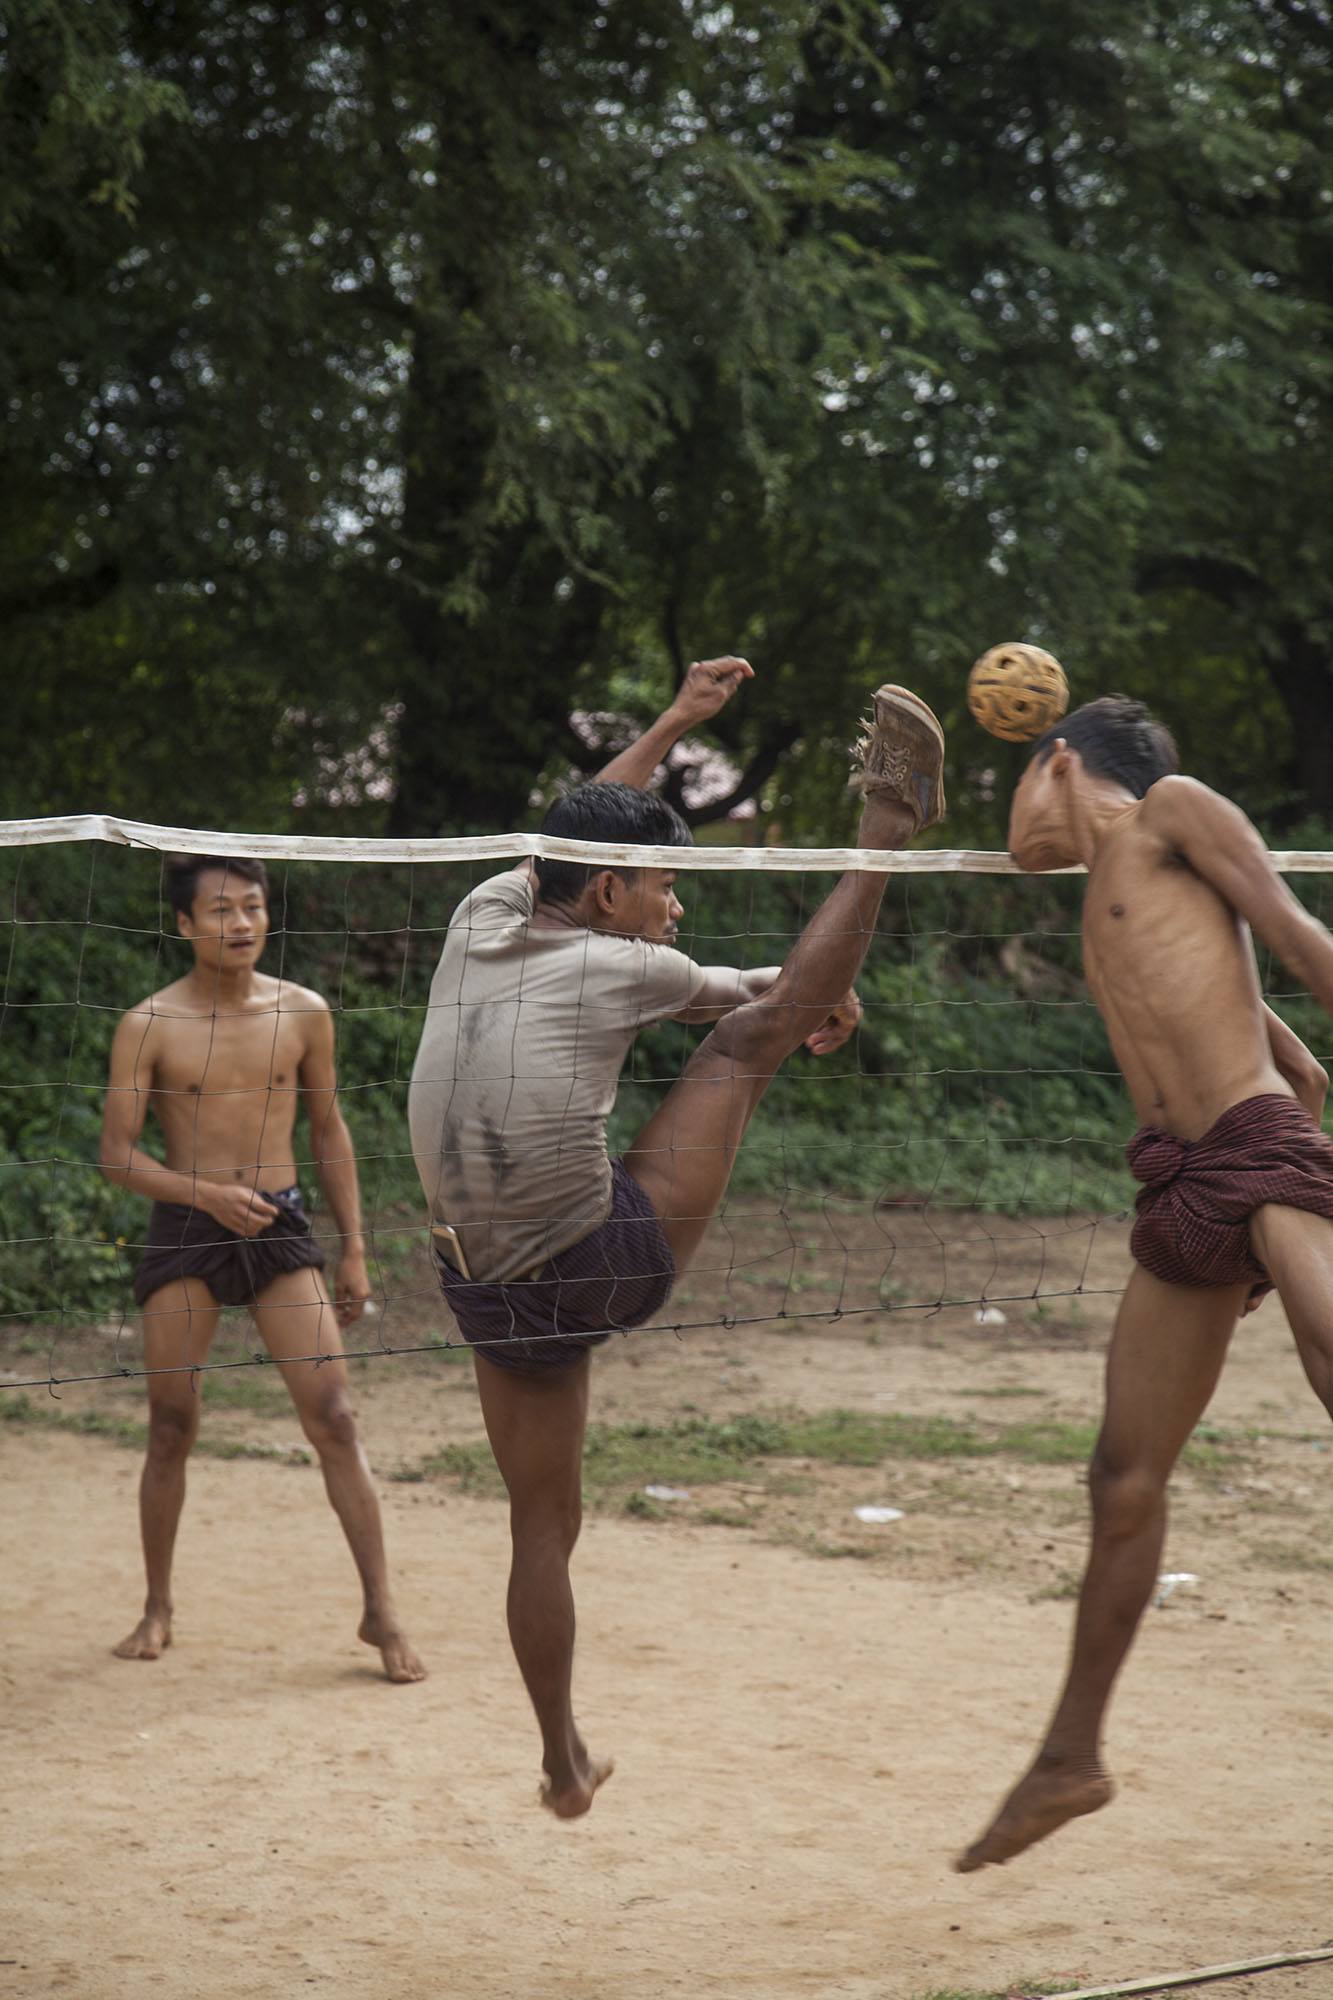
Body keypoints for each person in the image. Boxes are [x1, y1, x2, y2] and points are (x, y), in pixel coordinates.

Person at [409, 655, 946, 1815]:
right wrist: (807, 994)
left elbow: (573, 838)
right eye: (663, 880)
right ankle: (888, 823)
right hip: (590, 1266)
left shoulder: (484, 911)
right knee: (741, 1050)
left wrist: (673, 723)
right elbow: (766, 1015)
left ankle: (560, 1757)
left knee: (541, 1524)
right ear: (611, 898)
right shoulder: (624, 959)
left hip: (478, 1284)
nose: (676, 899)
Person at [957, 696, 1333, 1872]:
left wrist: (1291, 1189)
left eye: (1013, 782)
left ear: (1057, 760)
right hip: (1186, 1201)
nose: (1010, 820)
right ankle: (1071, 1756)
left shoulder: (1170, 812)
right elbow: (1301, 1057)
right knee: (1122, 1479)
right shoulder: (1103, 887)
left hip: (1255, 1158)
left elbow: (1295, 931)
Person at [99, 854, 425, 1683]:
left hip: (279, 1227)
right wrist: (204, 1196)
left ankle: (381, 1609)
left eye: (251, 907)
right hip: (186, 1226)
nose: (239, 924)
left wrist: (353, 1247)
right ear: (183, 925)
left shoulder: (303, 1012)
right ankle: (158, 1606)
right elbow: (117, 1159)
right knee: (172, 1425)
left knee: (336, 1418)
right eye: (218, 911)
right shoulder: (150, 1024)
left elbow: (328, 1132)